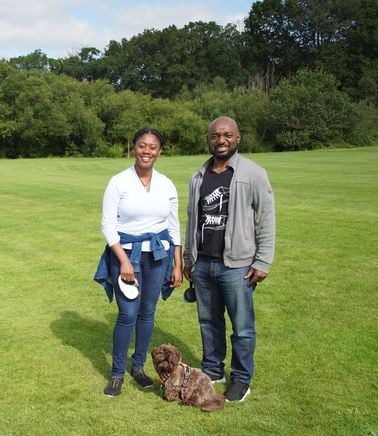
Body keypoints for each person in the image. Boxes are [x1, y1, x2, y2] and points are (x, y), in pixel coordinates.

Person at [183, 116, 275, 402]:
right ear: (209, 139)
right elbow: (191, 219)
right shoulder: (198, 177)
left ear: (238, 138)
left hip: (237, 265)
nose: (220, 140)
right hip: (203, 263)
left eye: (227, 135)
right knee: (208, 322)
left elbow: (266, 217)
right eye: (215, 136)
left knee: (242, 327)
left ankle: (241, 379)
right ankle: (213, 369)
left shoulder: (253, 173)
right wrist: (188, 258)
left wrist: (263, 260)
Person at [94, 128, 183, 397]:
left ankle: (139, 368)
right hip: (125, 255)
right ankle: (117, 373)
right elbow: (108, 226)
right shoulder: (118, 182)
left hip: (158, 256)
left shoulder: (166, 184)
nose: (147, 151)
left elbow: (174, 226)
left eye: (152, 147)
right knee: (128, 314)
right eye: (142, 146)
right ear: (134, 148)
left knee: (147, 314)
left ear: (160, 151)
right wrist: (123, 261)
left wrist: (177, 263)